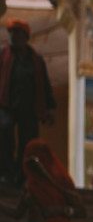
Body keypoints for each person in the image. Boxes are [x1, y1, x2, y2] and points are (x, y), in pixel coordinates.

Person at [0, 139, 86, 222]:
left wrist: (62, 210)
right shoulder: (30, 185)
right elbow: (18, 213)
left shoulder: (60, 180)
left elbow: (81, 211)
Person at [0, 20, 55, 184]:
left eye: (17, 33)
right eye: (11, 33)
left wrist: (50, 108)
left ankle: (22, 175)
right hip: (6, 105)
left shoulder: (36, 61)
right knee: (4, 133)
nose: (13, 36)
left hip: (30, 108)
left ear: (25, 37)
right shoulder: (3, 55)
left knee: (28, 143)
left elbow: (45, 85)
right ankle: (6, 173)